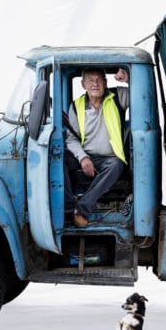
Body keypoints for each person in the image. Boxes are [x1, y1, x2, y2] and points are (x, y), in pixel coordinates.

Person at [64, 67, 129, 227]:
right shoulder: (76, 106)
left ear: (106, 83)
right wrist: (83, 157)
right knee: (58, 158)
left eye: (100, 80)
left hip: (109, 158)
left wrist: (128, 79)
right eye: (91, 80)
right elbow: (71, 139)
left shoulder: (118, 96)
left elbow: (143, 95)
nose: (95, 84)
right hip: (85, 156)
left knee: (116, 164)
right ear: (83, 84)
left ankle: (82, 209)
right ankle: (68, 208)